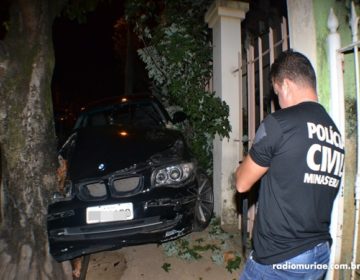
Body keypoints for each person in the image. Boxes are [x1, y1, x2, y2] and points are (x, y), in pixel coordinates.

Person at [236, 50, 345, 279]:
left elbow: (242, 183)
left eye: (277, 93)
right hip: (319, 254)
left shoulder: (279, 123)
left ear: (285, 84)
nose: (278, 100)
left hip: (280, 257)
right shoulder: (334, 133)